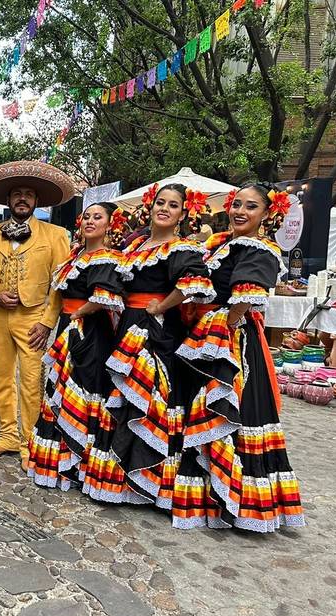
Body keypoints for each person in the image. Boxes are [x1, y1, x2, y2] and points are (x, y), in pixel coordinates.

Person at [176, 184, 305, 531]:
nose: (240, 211)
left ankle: (235, 499)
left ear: (267, 214)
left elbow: (245, 295)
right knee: (209, 411)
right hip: (212, 341)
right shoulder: (222, 244)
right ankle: (212, 493)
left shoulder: (258, 248)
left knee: (232, 411)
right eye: (237, 204)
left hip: (231, 345)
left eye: (251, 207)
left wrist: (224, 325)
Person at [98, 183, 215, 513]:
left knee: (153, 397)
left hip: (156, 332)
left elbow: (193, 284)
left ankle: (149, 481)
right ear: (150, 207)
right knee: (125, 396)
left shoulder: (180, 249)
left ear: (182, 213)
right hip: (128, 328)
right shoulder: (136, 245)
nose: (165, 208)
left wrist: (162, 306)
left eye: (173, 205)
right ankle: (120, 479)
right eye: (160, 202)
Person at [0, 161, 73, 469]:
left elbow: (60, 284)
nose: (22, 199)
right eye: (17, 194)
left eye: (28, 194)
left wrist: (47, 321)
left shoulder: (55, 235)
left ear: (36, 201)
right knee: (1, 378)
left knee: (30, 382)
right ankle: (7, 436)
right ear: (9, 200)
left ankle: (31, 444)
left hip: (34, 317)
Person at [26, 203, 128, 495]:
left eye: (98, 217)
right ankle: (62, 461)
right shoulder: (75, 255)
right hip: (70, 329)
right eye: (87, 216)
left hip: (92, 334)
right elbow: (58, 293)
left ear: (110, 224)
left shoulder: (107, 258)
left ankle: (82, 465)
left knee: (85, 391)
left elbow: (104, 296)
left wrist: (79, 312)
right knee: (61, 389)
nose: (90, 221)